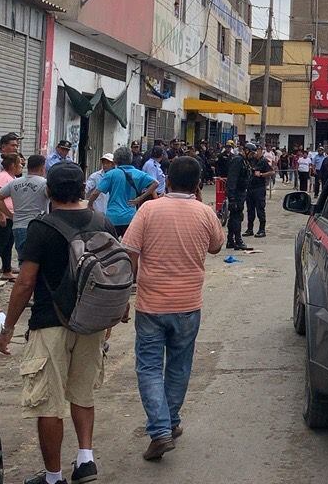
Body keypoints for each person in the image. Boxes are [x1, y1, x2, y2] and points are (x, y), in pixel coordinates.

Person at [0, 162, 118, 484]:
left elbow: (25, 283)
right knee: (82, 393)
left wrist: (8, 327)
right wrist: (109, 317)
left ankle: (53, 477)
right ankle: (86, 458)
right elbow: (114, 271)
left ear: (49, 191)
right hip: (90, 322)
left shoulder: (42, 227)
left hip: (50, 323)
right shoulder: (102, 221)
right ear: (82, 189)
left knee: (48, 402)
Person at [121, 156, 224, 460]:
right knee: (179, 366)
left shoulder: (149, 210)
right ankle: (170, 422)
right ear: (197, 184)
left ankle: (162, 429)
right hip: (188, 305)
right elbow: (216, 246)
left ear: (166, 178)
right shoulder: (205, 213)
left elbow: (130, 253)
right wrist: (202, 206)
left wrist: (125, 295)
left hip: (151, 304)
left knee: (150, 368)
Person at [91, 147, 158, 236]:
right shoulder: (138, 173)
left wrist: (89, 204)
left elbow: (96, 192)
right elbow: (155, 183)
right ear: (130, 158)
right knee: (127, 245)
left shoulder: (111, 174)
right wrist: (140, 198)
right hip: (130, 217)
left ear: (115, 160)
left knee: (111, 245)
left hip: (113, 217)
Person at [0, 154, 49, 260]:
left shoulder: (15, 182)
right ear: (42, 167)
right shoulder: (44, 183)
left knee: (23, 261)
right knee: (37, 262)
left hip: (18, 226)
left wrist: (10, 215)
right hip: (38, 226)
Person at [0, 153, 21, 281]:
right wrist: (1, 214)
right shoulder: (2, 177)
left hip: (11, 216)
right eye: (19, 163)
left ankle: (7, 270)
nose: (21, 166)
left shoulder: (12, 178)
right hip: (2, 216)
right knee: (0, 244)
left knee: (8, 244)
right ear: (13, 165)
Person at [243, 143, 275, 238]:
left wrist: (261, 174)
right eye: (255, 151)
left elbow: (272, 172)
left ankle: (262, 230)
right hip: (250, 188)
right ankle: (250, 229)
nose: (256, 153)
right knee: (250, 210)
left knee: (260, 209)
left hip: (259, 188)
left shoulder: (263, 161)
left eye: (258, 150)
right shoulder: (250, 160)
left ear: (261, 151)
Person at [224, 146, 253, 251]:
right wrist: (231, 197)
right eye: (251, 153)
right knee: (237, 217)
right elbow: (232, 179)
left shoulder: (244, 161)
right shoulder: (238, 160)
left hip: (240, 192)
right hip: (236, 193)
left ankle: (230, 240)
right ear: (246, 151)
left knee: (234, 217)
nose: (252, 156)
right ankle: (237, 240)